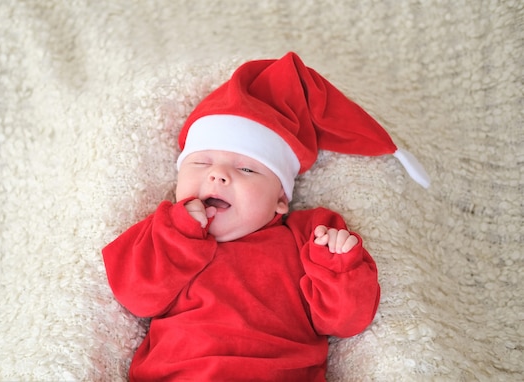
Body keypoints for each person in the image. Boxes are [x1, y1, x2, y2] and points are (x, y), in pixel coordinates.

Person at [103, 52, 429, 381]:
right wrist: (177, 234)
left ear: (280, 201)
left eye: (246, 169)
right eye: (201, 163)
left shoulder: (307, 237)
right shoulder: (164, 232)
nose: (218, 175)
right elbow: (135, 297)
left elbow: (347, 321)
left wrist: (339, 267)